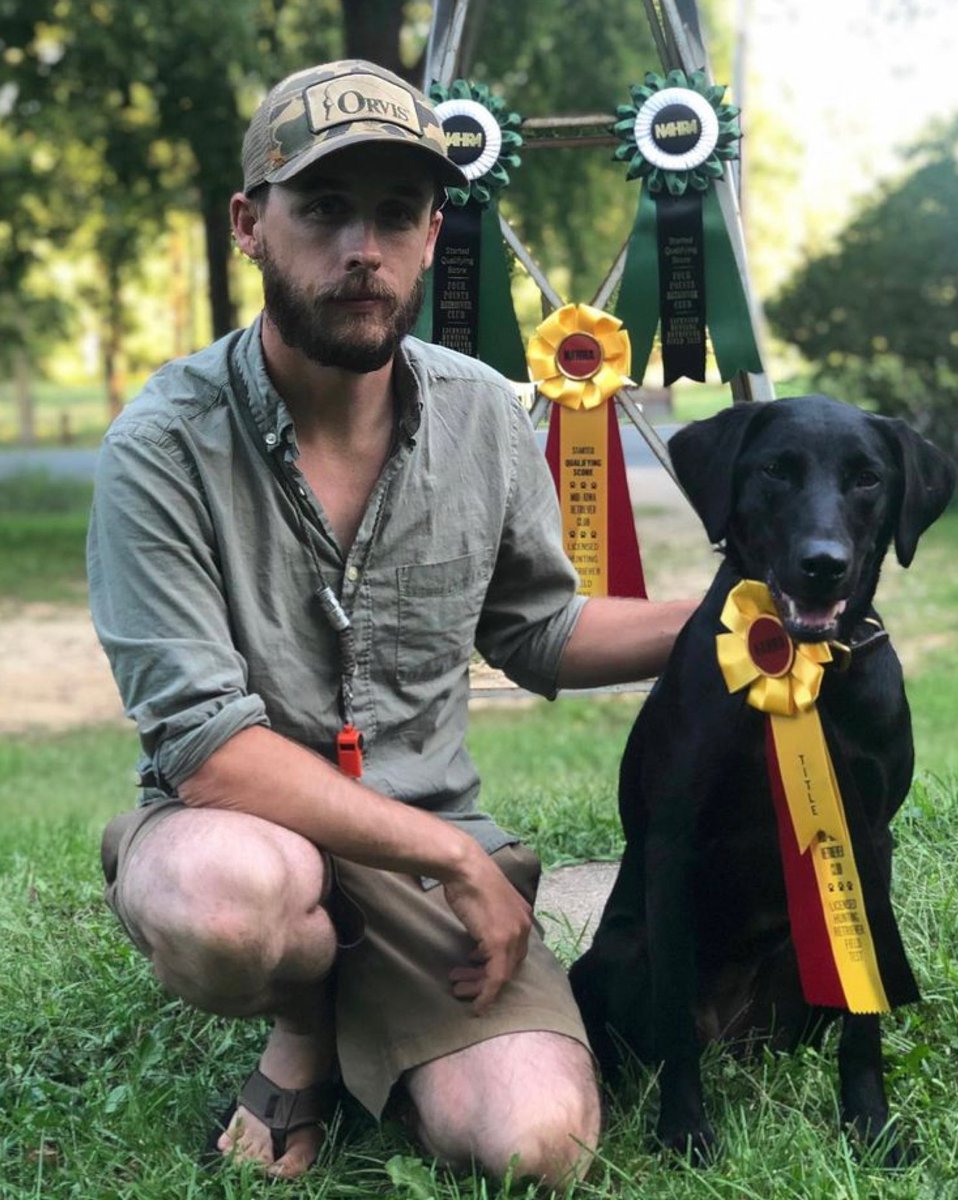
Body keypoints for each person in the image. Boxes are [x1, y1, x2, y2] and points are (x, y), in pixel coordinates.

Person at [88, 59, 695, 1187]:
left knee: (539, 1148)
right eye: (322, 209)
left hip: (423, 863)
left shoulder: (482, 413)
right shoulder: (160, 445)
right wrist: (456, 862)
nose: (361, 247)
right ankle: (306, 1027)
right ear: (249, 224)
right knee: (228, 903)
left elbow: (537, 629)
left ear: (430, 235)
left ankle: (393, 1018)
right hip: (248, 838)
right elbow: (206, 750)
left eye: (396, 212)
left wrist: (723, 621)